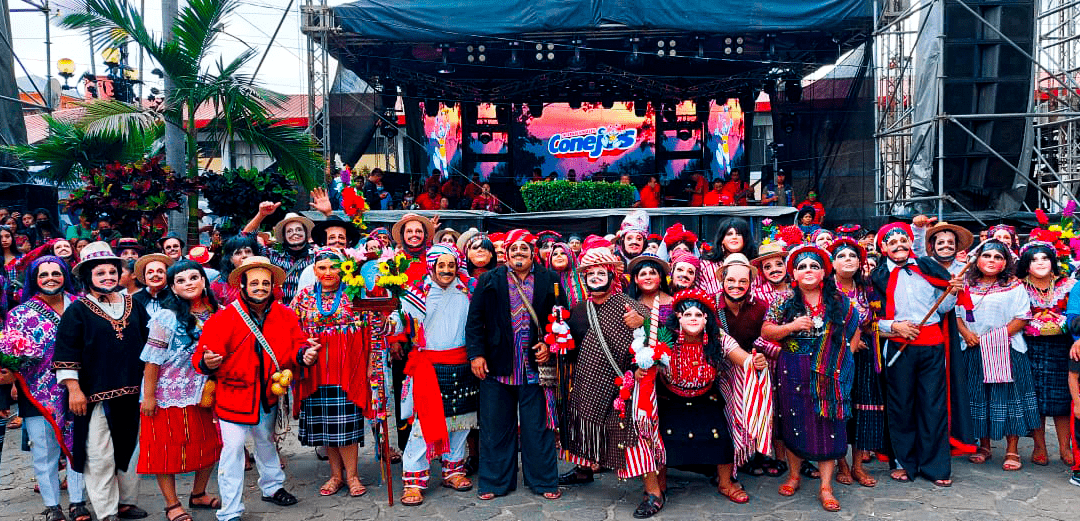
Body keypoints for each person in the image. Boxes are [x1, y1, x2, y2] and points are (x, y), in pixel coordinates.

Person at [192, 256, 321, 521]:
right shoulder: (224, 318)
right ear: (243, 285)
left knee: (266, 443)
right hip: (234, 396)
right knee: (233, 451)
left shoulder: (285, 315)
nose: (260, 287)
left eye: (265, 282)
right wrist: (207, 362)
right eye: (255, 283)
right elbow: (201, 356)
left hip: (267, 395)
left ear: (273, 286)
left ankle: (272, 488)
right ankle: (230, 510)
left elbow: (297, 345)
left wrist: (304, 355)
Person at [560, 248, 663, 518]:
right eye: (590, 273)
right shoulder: (579, 310)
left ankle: (653, 493)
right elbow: (570, 346)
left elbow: (663, 339)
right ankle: (584, 470)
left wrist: (645, 321)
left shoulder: (631, 306)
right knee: (584, 422)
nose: (595, 277)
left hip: (626, 385)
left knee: (633, 435)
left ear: (612, 275)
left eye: (600, 272)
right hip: (588, 381)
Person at [54, 242, 151, 521]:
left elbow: (151, 345)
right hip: (96, 397)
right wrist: (74, 390)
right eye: (101, 273)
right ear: (88, 278)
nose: (108, 277)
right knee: (99, 456)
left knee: (131, 452)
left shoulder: (134, 305)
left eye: (112, 271)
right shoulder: (78, 311)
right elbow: (66, 354)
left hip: (134, 393)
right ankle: (107, 511)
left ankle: (127, 503)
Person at [465, 229, 562, 500]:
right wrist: (476, 355)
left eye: (524, 250)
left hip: (535, 368)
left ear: (533, 254)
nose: (519, 253)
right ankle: (495, 483)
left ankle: (543, 482)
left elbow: (560, 318)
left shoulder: (549, 279)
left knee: (537, 428)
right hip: (497, 367)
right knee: (495, 428)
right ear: (505, 254)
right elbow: (474, 322)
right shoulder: (489, 280)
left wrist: (550, 345)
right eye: (514, 250)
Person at [762, 244, 858, 512]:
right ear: (793, 272)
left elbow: (853, 333)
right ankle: (794, 476)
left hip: (828, 372)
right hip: (792, 369)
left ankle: (826, 487)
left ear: (824, 272)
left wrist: (837, 362)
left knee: (827, 424)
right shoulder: (782, 300)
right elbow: (767, 331)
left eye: (814, 266)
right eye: (802, 266)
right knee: (793, 421)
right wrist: (792, 326)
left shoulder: (839, 301)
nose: (808, 270)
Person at [869, 223, 965, 486]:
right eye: (892, 241)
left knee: (933, 406)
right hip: (898, 347)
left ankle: (935, 466)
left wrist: (952, 290)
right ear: (883, 247)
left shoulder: (928, 268)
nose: (899, 244)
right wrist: (894, 326)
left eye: (904, 239)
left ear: (911, 243)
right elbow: (871, 317)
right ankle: (903, 461)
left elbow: (944, 306)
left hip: (932, 344)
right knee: (901, 406)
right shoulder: (877, 277)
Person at [661, 287, 766, 506]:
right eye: (687, 314)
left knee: (721, 439)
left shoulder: (718, 337)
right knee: (664, 439)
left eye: (698, 314)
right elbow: (646, 362)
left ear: (706, 317)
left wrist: (753, 361)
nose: (693, 318)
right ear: (678, 317)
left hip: (706, 397)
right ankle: (658, 485)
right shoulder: (664, 336)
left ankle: (725, 483)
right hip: (671, 399)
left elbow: (742, 358)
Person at [2, 256, 88, 521]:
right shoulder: (19, 314)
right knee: (44, 450)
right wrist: (15, 380)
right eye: (43, 274)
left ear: (65, 276)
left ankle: (78, 502)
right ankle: (52, 506)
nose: (50, 278)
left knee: (79, 446)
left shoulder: (82, 306)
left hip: (80, 389)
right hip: (35, 393)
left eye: (56, 273)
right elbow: (10, 356)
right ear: (34, 279)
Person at [137, 260, 223, 521]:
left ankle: (198, 494)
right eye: (181, 280)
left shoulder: (218, 312)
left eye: (194, 277)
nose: (189, 283)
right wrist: (149, 396)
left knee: (209, 445)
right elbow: (152, 359)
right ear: (173, 288)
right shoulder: (165, 316)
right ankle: (172, 504)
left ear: (203, 281)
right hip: (167, 393)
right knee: (166, 450)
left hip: (205, 391)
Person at [396, 244, 479, 505]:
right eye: (441, 266)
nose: (446, 270)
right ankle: (413, 481)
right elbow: (397, 325)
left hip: (462, 364)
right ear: (431, 267)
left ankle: (453, 470)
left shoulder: (467, 292)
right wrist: (388, 324)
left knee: (461, 423)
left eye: (451, 265)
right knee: (422, 427)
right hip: (428, 367)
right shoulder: (415, 295)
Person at [291, 248, 372, 497]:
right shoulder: (303, 297)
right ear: (314, 271)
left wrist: (370, 365)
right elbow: (291, 332)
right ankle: (336, 476)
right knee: (327, 427)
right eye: (322, 268)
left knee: (346, 426)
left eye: (334, 267)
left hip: (347, 369)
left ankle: (353, 475)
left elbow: (371, 332)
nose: (328, 272)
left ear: (343, 268)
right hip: (316, 371)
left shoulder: (354, 294)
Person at [958, 240, 1040, 471]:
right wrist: (966, 334)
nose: (992, 260)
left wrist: (995, 339)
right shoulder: (966, 284)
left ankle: (1012, 449)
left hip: (1007, 348)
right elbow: (956, 313)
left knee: (1009, 397)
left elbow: (1022, 316)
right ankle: (984, 446)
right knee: (978, 397)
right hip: (973, 348)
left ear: (1005, 263)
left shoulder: (1014, 285)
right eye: (987, 256)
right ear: (978, 260)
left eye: (998, 257)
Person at [712, 254, 776, 481]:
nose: (737, 286)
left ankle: (750, 455)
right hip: (717, 371)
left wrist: (762, 357)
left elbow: (766, 337)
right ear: (723, 281)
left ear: (750, 283)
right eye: (731, 281)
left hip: (750, 367)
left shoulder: (760, 306)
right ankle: (732, 461)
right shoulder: (710, 305)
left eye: (743, 281)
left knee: (753, 411)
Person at [829, 238, 884, 487]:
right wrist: (849, 340)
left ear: (860, 261)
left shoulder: (868, 289)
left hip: (865, 355)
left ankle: (858, 466)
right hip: (834, 355)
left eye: (852, 256)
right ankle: (841, 464)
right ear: (832, 263)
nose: (847, 260)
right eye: (841, 256)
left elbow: (877, 318)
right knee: (839, 409)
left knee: (864, 408)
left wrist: (864, 336)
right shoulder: (826, 290)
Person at [1018, 240, 1076, 467]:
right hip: (1030, 347)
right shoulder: (1018, 286)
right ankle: (1039, 446)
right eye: (1034, 259)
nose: (1040, 263)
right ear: (1026, 265)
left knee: (1062, 398)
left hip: (1063, 346)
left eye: (1044, 258)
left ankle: (1065, 447)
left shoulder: (1068, 285)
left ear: (1053, 262)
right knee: (1035, 397)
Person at [697, 217, 756, 295]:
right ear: (722, 240)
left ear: (746, 239)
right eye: (729, 234)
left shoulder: (755, 265)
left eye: (739, 234)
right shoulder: (706, 266)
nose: (734, 237)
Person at [546, 242, 587, 307]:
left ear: (570, 256)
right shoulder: (543, 281)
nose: (559, 256)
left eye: (563, 253)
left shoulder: (585, 279)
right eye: (555, 254)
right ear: (550, 259)